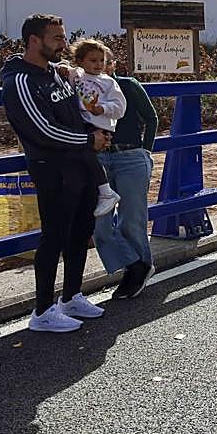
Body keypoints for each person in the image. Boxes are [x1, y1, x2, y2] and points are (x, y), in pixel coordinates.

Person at [1, 14, 112, 333]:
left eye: (63, 38)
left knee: (80, 231)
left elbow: (77, 110)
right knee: (54, 236)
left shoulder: (57, 73)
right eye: (57, 39)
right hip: (52, 169)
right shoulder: (20, 81)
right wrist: (88, 140)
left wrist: (95, 131)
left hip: (79, 165)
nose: (64, 44)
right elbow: (41, 130)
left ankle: (71, 296)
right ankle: (42, 310)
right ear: (34, 40)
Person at [93, 50, 159, 299]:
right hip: (98, 159)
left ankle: (136, 271)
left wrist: (146, 151)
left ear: (113, 64)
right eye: (95, 61)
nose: (102, 65)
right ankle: (137, 264)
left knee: (131, 219)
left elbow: (151, 118)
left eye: (106, 61)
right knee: (100, 223)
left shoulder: (127, 85)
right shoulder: (84, 90)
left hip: (130, 156)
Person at [65, 39, 125, 217]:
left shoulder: (108, 82)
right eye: (93, 60)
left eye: (102, 60)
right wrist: (63, 68)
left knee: (88, 155)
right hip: (82, 124)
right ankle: (97, 194)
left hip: (100, 126)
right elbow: (62, 68)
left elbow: (120, 107)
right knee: (81, 157)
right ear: (81, 61)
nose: (99, 64)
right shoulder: (77, 76)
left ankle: (106, 192)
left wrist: (103, 109)